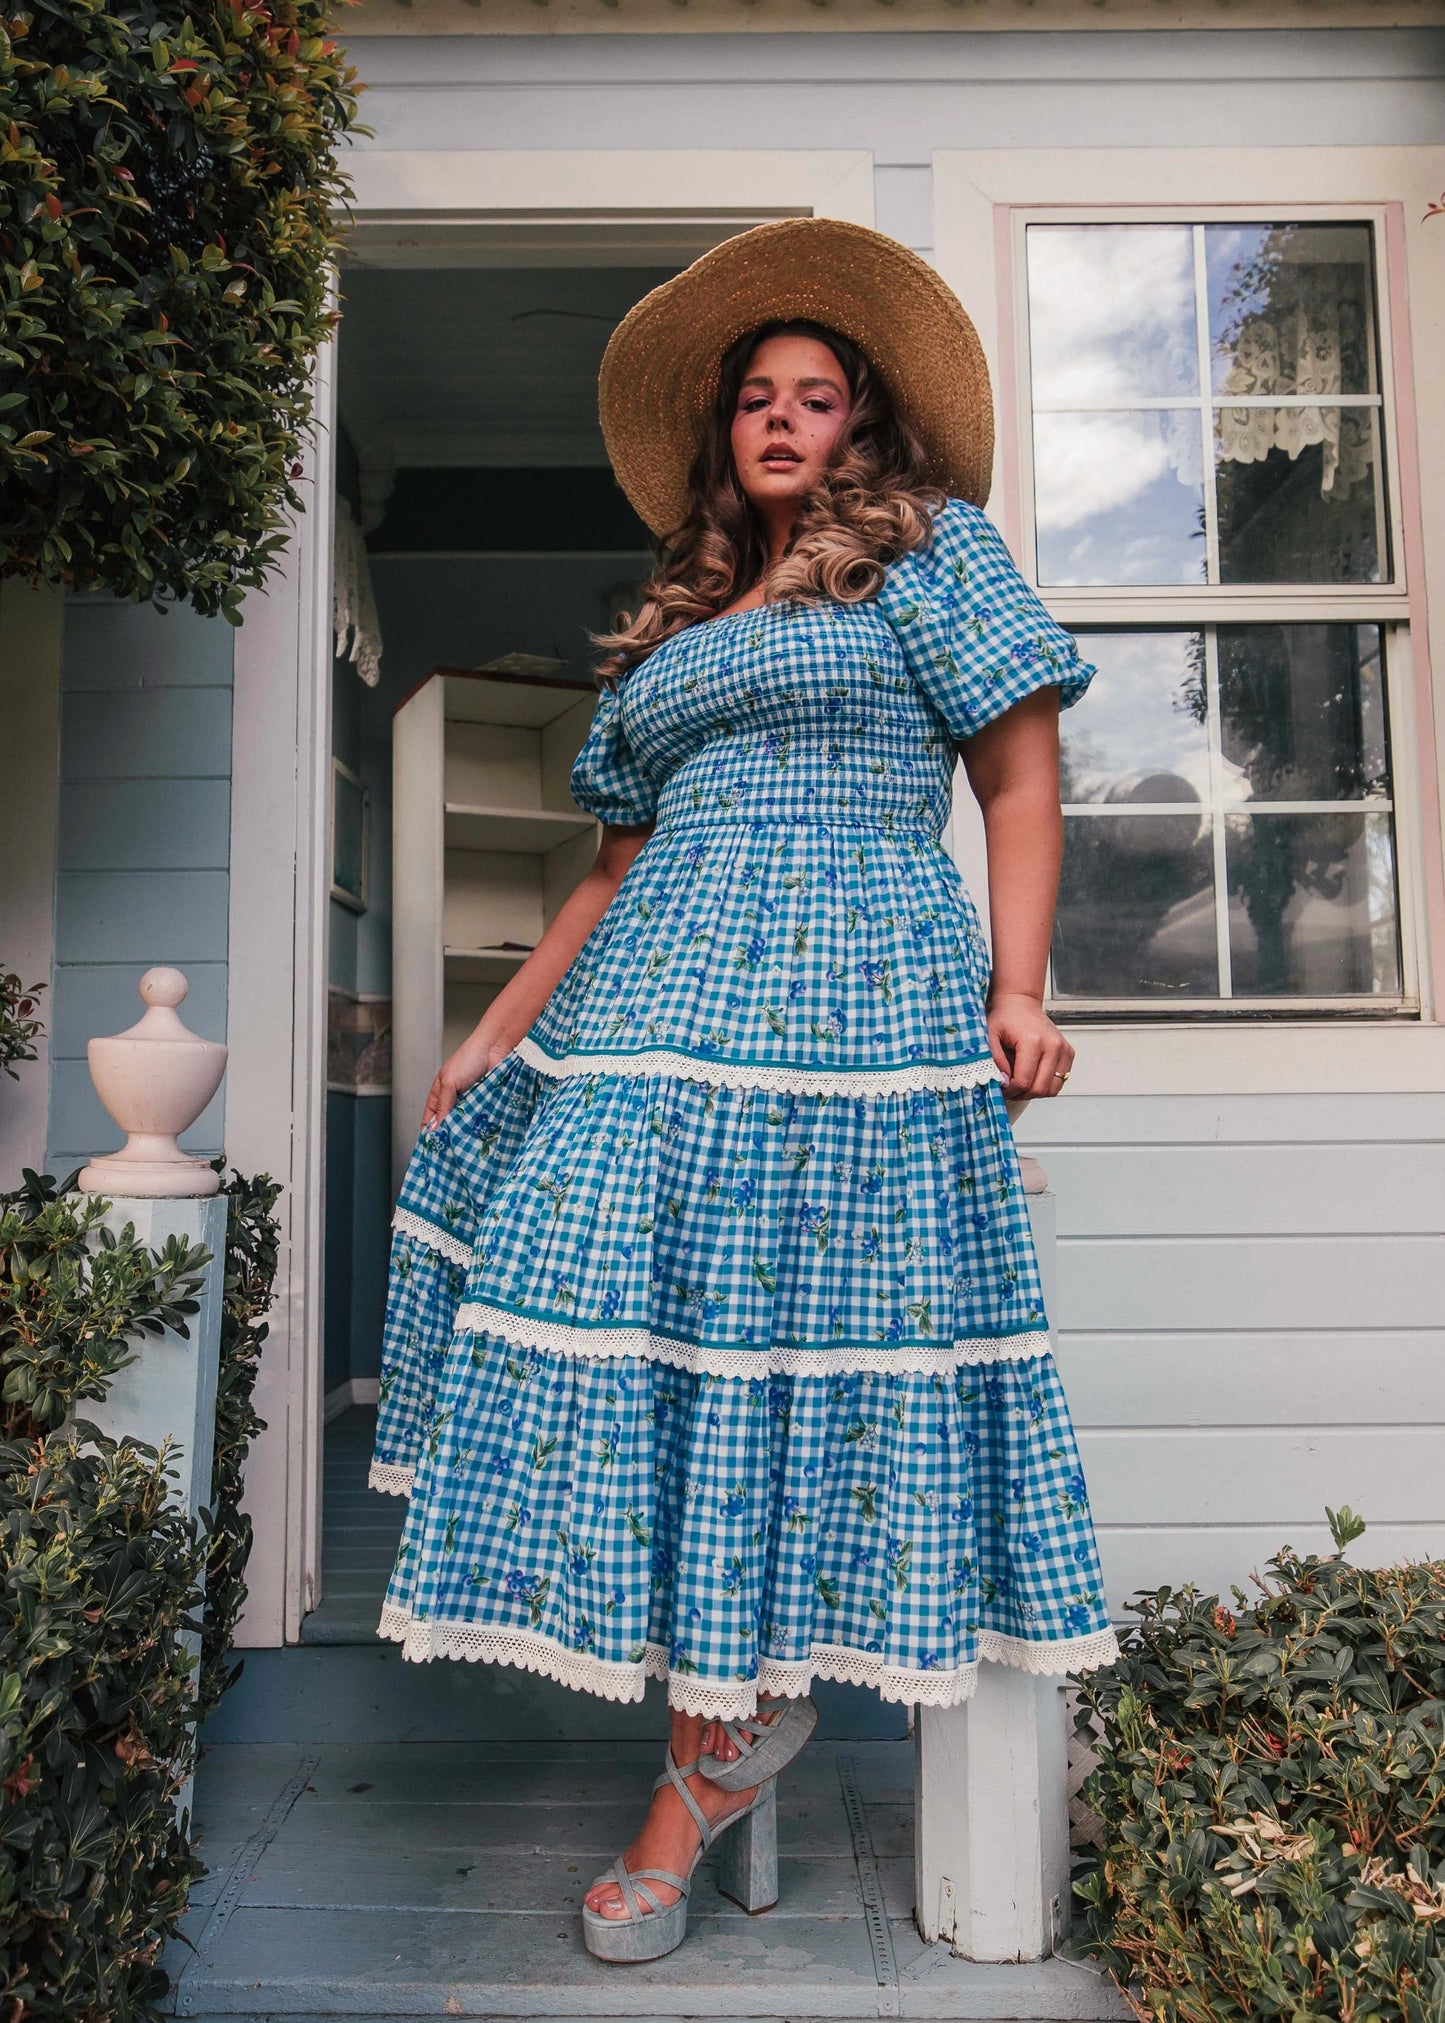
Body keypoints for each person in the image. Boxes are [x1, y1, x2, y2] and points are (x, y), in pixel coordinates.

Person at [368, 217, 1120, 1966]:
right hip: (658, 998)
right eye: (756, 402)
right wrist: (493, 1031)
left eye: (817, 398)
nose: (784, 422)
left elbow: (1017, 778)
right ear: (722, 437)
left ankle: (699, 1767)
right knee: (610, 1300)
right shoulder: (674, 624)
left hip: (862, 992)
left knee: (813, 1329)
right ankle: (715, 1712)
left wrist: (1017, 987)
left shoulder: (928, 559)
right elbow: (608, 872)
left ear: (860, 426)